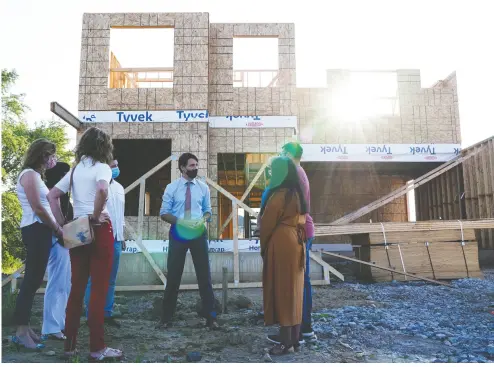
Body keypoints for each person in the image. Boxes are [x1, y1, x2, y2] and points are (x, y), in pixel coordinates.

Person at [47, 127, 123, 361]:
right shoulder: (102, 167)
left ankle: (69, 347)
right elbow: (102, 189)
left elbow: (52, 196)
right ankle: (97, 348)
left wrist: (62, 225)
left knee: (76, 288)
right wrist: (96, 214)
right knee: (98, 289)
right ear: (104, 146)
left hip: (77, 229)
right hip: (99, 229)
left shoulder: (75, 170)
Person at [156, 152, 219, 330]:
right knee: (174, 275)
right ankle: (166, 318)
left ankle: (211, 318)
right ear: (182, 167)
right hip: (178, 233)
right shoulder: (172, 188)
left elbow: (208, 211)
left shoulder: (203, 187)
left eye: (196, 165)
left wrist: (204, 219)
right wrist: (181, 222)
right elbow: (164, 213)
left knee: (204, 276)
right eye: (191, 166)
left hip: (198, 233)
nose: (195, 168)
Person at [12, 139, 62, 350]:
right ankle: (20, 332)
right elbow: (39, 208)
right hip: (36, 229)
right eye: (51, 155)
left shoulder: (35, 176)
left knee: (34, 280)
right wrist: (57, 229)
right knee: (32, 280)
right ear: (42, 155)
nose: (53, 159)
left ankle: (25, 328)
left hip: (40, 230)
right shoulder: (29, 175)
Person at [267, 142, 318, 345]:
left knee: (297, 283)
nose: (279, 156)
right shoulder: (300, 172)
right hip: (303, 230)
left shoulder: (294, 174)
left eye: (281, 153)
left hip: (299, 232)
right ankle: (302, 329)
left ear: (289, 154)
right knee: (300, 281)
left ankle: (300, 330)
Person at [260, 156, 308, 355]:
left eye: (272, 170)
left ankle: (285, 343)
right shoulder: (296, 193)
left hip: (281, 243)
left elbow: (266, 225)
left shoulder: (278, 195)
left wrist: (264, 248)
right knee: (295, 291)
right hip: (296, 242)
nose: (270, 173)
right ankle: (295, 339)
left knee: (283, 290)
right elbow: (304, 220)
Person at [84, 159, 126, 327]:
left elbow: (120, 215)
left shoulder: (119, 188)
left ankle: (106, 313)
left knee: (111, 279)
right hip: (99, 236)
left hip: (116, 239)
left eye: (117, 164)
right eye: (112, 165)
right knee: (94, 278)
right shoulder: (95, 185)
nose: (116, 168)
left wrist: (122, 236)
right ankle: (91, 315)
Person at [41, 162, 73, 341]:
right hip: (57, 239)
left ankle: (59, 323)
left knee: (64, 284)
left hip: (64, 239)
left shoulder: (63, 196)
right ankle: (51, 326)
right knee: (57, 283)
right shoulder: (52, 194)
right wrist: (62, 233)